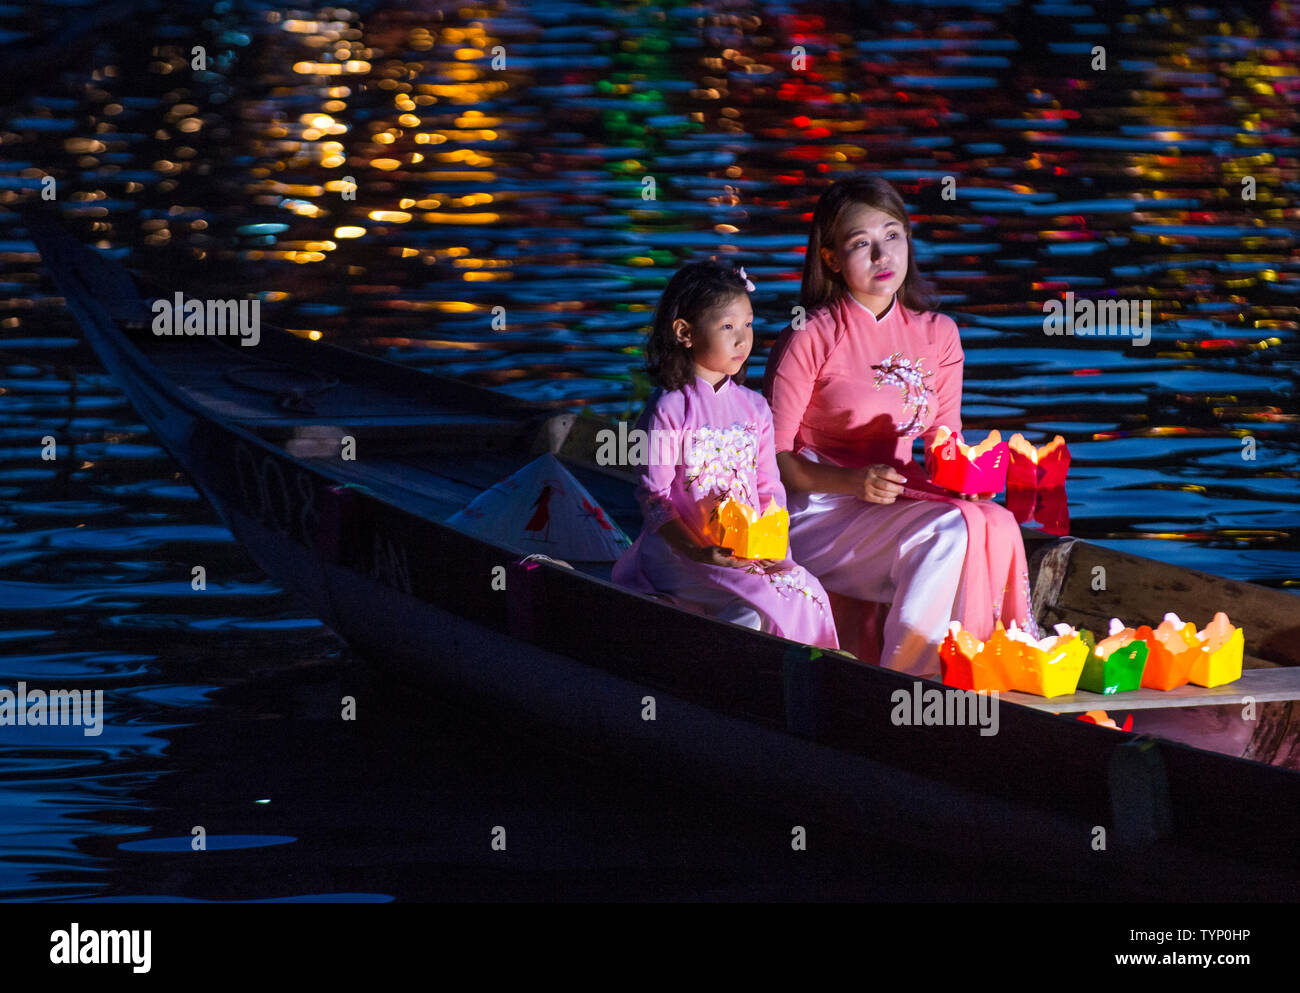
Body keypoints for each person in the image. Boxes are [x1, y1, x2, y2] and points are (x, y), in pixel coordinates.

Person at [762, 174, 1036, 675]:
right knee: (949, 530)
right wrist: (849, 480)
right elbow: (772, 462)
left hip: (902, 499)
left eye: (892, 236)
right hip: (819, 512)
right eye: (861, 244)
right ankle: (911, 678)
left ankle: (988, 663)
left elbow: (944, 444)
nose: (882, 255)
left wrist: (987, 477)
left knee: (994, 520)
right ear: (830, 259)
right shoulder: (810, 336)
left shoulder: (939, 335)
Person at [611, 260, 840, 650]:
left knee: (803, 587)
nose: (742, 340)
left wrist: (774, 548)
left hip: (744, 550)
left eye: (748, 325)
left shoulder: (755, 408)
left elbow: (769, 486)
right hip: (678, 553)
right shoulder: (668, 408)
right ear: (685, 332)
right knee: (756, 605)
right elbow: (654, 498)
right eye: (727, 327)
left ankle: (810, 682)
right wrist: (696, 549)